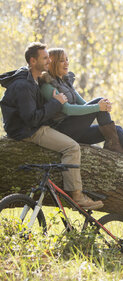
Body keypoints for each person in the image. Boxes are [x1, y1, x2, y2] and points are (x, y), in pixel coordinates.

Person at [0, 42, 103, 210]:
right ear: (33, 61)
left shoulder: (33, 80)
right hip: (28, 131)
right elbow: (32, 119)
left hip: (33, 127)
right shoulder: (24, 85)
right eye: (45, 58)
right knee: (72, 147)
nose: (49, 61)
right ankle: (77, 196)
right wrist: (56, 104)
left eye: (49, 57)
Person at [39, 48, 123, 168]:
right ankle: (116, 147)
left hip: (76, 131)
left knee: (116, 129)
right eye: (62, 60)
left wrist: (102, 106)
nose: (66, 63)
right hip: (62, 132)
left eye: (67, 59)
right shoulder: (47, 86)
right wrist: (97, 106)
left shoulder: (66, 82)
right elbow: (67, 109)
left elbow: (84, 103)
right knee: (98, 103)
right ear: (53, 63)